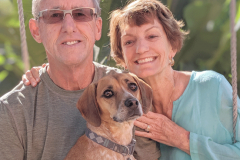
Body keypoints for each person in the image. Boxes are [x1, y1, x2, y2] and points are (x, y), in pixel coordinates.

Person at [24, 0, 240, 159]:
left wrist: (182, 139)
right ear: (121, 58)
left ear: (172, 45)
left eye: (152, 36)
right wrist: (42, 71)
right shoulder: (123, 103)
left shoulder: (211, 87)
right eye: (129, 42)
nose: (141, 48)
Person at [0, 0, 160, 159]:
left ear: (98, 27)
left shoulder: (132, 89)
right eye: (54, 15)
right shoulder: (11, 111)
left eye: (80, 14)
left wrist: (181, 137)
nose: (69, 27)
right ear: (36, 31)